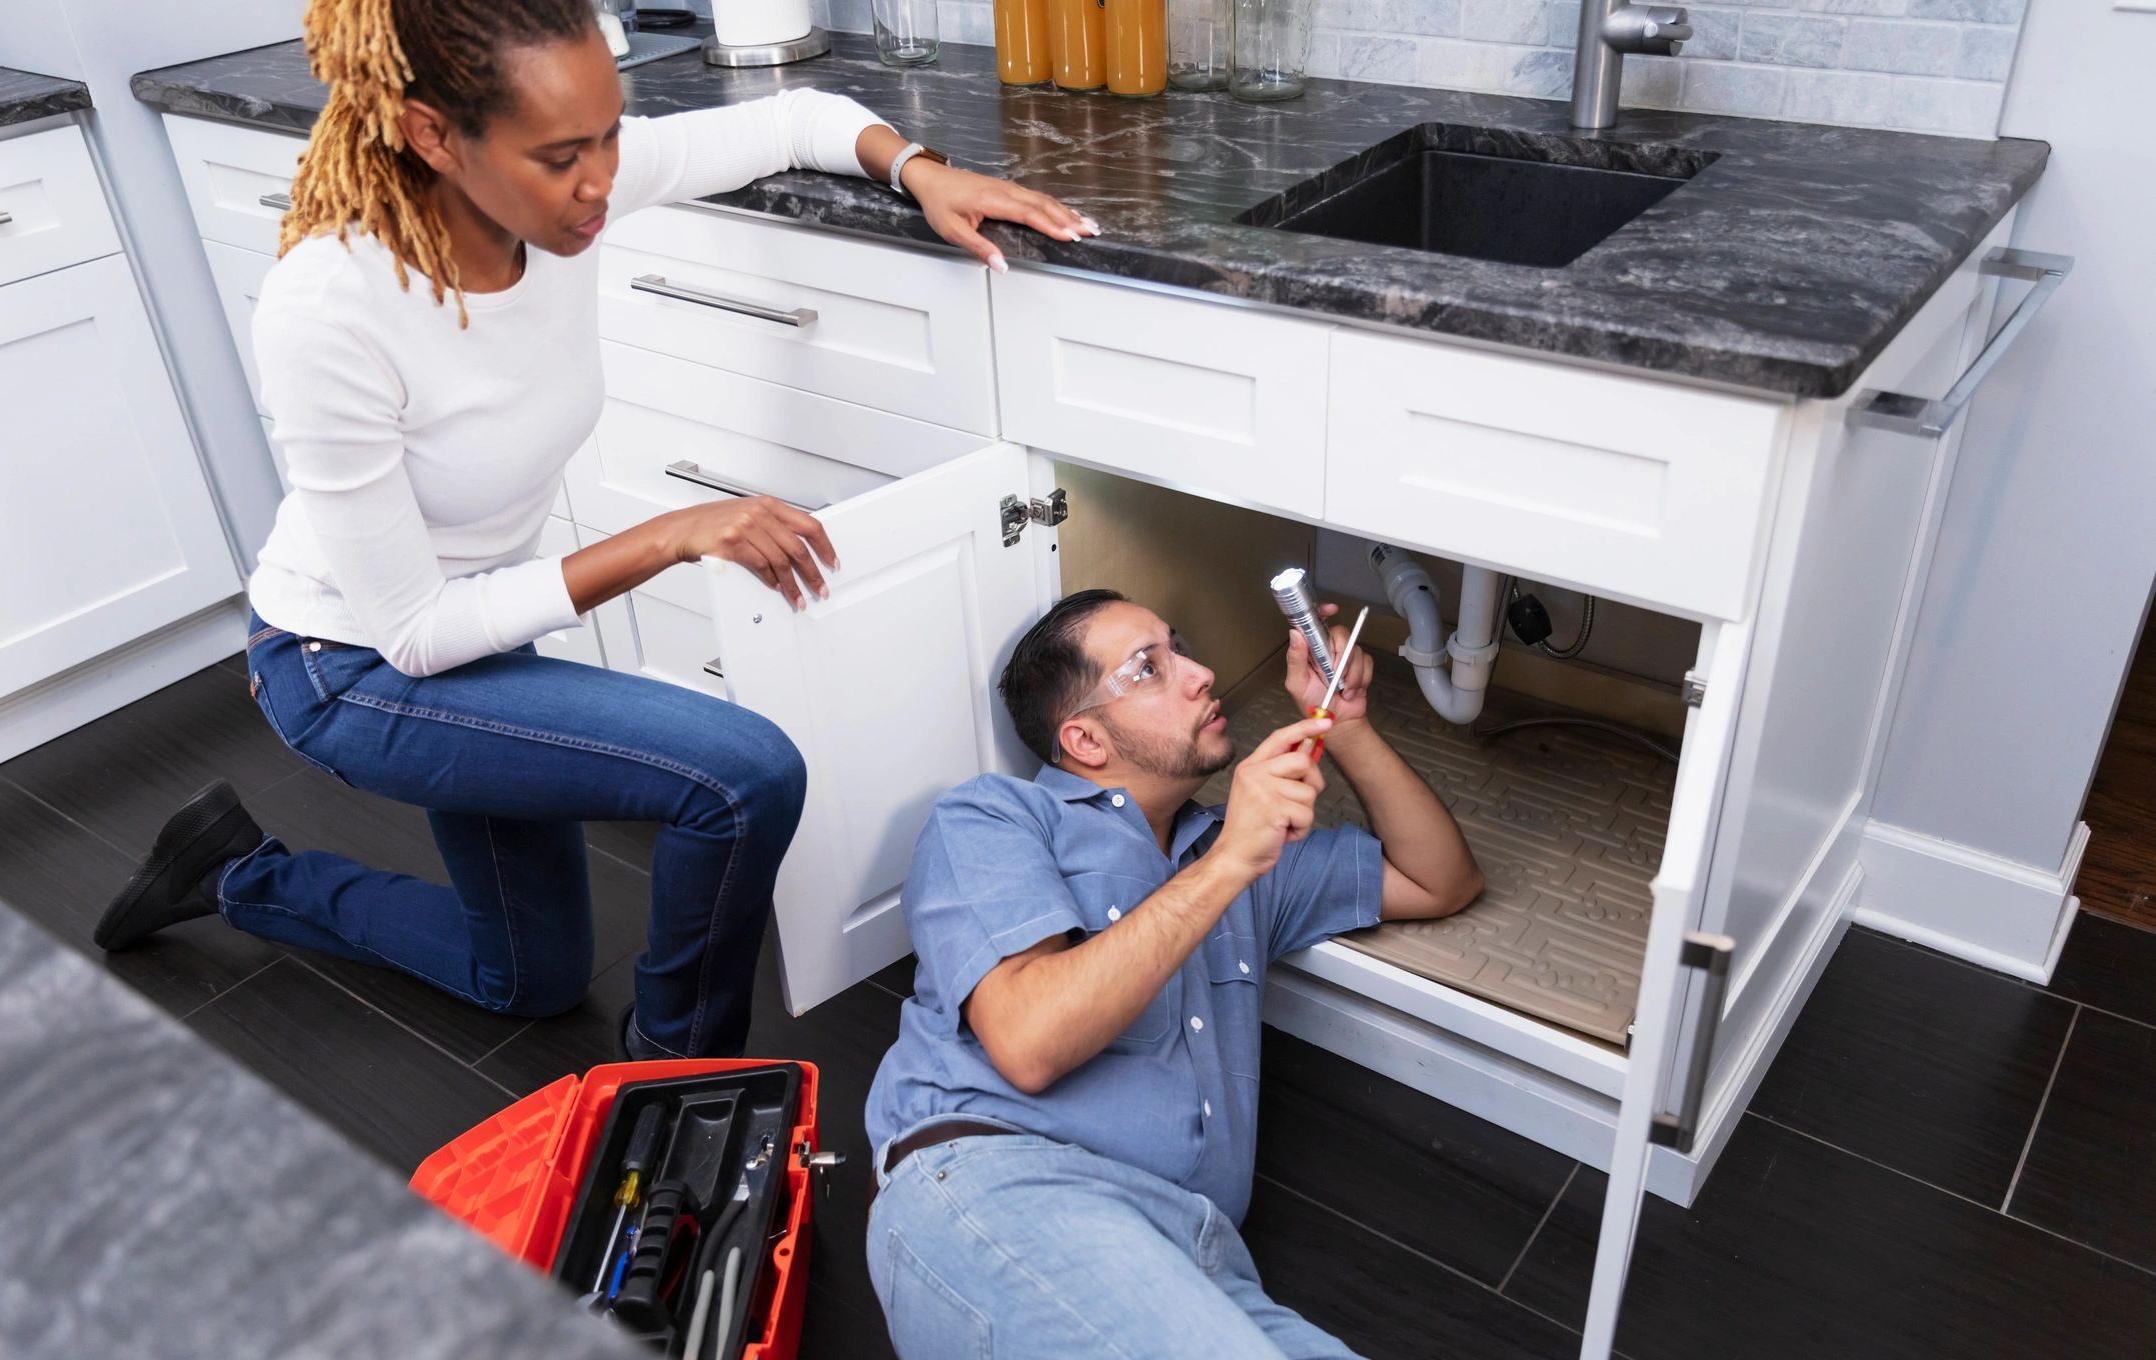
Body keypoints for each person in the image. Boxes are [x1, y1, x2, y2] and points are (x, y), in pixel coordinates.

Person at [91, 0, 1093, 1063]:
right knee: (741, 774)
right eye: (565, 154)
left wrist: (919, 171)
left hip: (480, 635)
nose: (602, 181)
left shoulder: (562, 198)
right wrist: (672, 534)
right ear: (435, 135)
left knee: (523, 975)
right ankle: (672, 1077)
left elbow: (796, 117)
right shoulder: (329, 308)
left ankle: (233, 870)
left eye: (612, 135)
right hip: (352, 665)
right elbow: (418, 634)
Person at [862, 589, 1485, 1358]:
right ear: (1084, 740)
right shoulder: (995, 818)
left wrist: (1346, 729)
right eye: (1149, 668)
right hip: (1005, 1188)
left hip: (1203, 1259)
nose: (1201, 674)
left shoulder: (1237, 851)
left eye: (1179, 648)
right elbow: (1028, 1040)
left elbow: (1438, 880)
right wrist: (1230, 864)